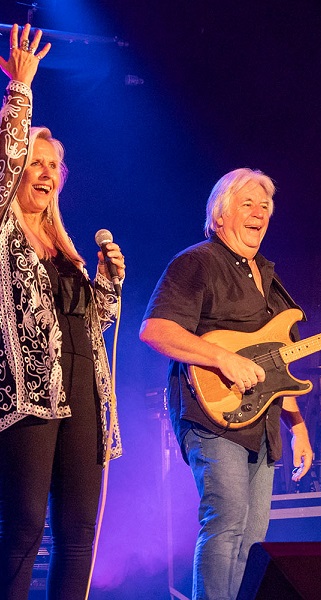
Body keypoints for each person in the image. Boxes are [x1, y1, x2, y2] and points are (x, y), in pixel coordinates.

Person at [139, 168, 313, 600]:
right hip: (211, 416)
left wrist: (299, 427)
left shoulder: (270, 280)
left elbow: (279, 361)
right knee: (227, 520)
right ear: (219, 216)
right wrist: (223, 358)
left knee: (253, 539)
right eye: (247, 204)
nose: (259, 214)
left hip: (263, 423)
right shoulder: (197, 262)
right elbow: (155, 329)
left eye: (265, 207)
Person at [0, 24, 126, 600]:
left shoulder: (67, 251)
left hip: (84, 393)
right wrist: (20, 91)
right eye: (35, 162)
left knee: (80, 533)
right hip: (29, 393)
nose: (46, 172)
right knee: (26, 527)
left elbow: (94, 323)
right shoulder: (5, 231)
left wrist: (107, 282)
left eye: (54, 165)